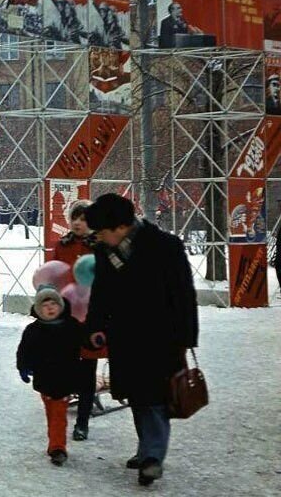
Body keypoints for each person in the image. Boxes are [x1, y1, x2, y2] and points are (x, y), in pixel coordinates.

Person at [85, 193, 198, 487]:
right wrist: (95, 326)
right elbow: (101, 292)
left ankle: (152, 457)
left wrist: (186, 336)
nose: (99, 238)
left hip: (163, 336)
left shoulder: (165, 247)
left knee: (156, 398)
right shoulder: (105, 251)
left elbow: (184, 295)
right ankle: (146, 448)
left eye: (102, 232)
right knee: (137, 395)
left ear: (120, 227)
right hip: (126, 337)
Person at [51, 199, 102, 442]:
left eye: (84, 219)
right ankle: (62, 415)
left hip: (92, 316)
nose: (78, 223)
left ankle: (82, 421)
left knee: (88, 367)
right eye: (75, 218)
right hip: (66, 313)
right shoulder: (62, 246)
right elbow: (53, 276)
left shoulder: (101, 246)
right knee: (65, 364)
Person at [17, 285, 82, 466]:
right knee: (52, 412)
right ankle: (54, 443)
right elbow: (24, 351)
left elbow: (85, 341)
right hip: (44, 378)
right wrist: (23, 367)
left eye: (54, 303)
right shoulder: (33, 330)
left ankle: (57, 448)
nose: (50, 308)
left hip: (66, 378)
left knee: (59, 413)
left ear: (60, 306)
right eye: (45, 305)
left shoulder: (71, 326)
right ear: (38, 309)